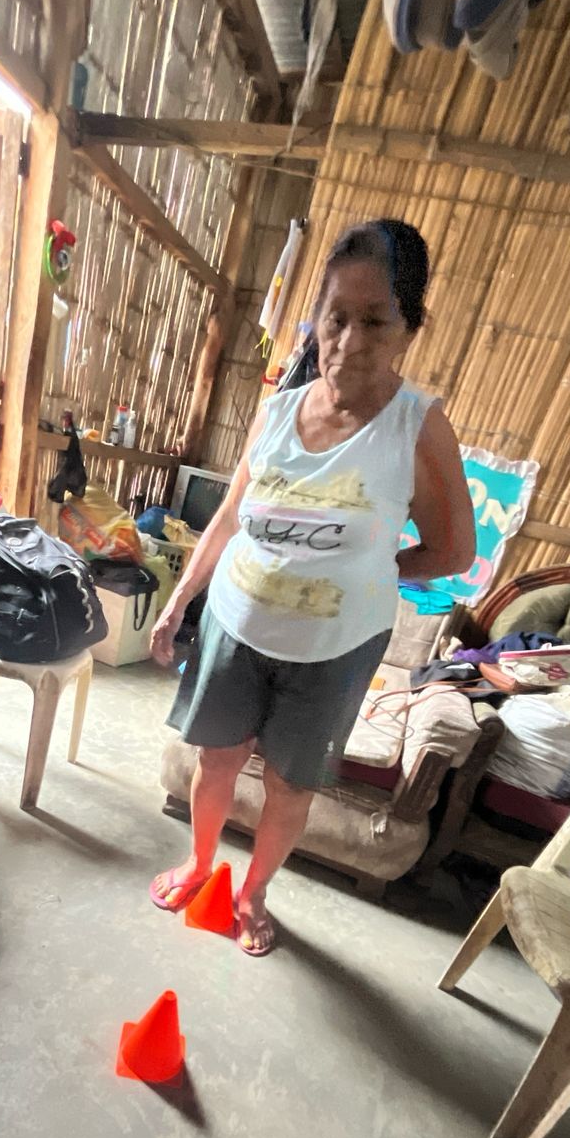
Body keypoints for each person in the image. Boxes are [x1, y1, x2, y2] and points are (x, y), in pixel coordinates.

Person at [150, 218, 476, 955]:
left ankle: (253, 893)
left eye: (375, 321)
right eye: (336, 317)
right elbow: (229, 518)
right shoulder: (274, 413)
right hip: (235, 622)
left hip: (335, 648)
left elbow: (454, 550)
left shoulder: (417, 427)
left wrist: (371, 568)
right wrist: (178, 602)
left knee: (290, 786)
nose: (350, 341)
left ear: (410, 328)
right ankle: (200, 864)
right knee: (216, 761)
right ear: (317, 318)